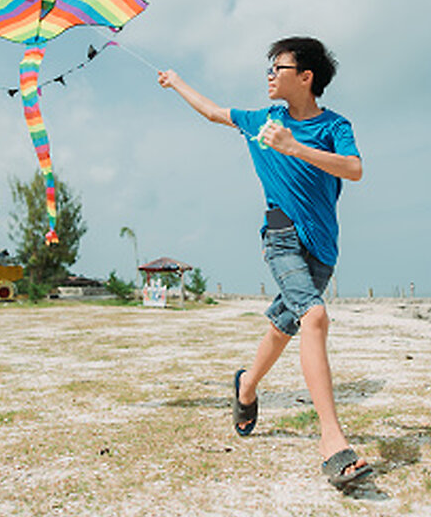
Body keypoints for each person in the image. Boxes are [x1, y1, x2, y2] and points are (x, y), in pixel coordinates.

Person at [157, 36, 372, 491]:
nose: (270, 75)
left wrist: (295, 147)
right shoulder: (262, 120)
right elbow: (215, 112)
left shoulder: (335, 125)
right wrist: (176, 82)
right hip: (281, 238)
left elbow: (353, 169)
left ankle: (245, 387)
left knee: (283, 326)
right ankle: (332, 441)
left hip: (322, 247)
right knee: (314, 317)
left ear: (306, 77)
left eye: (279, 67)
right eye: (269, 68)